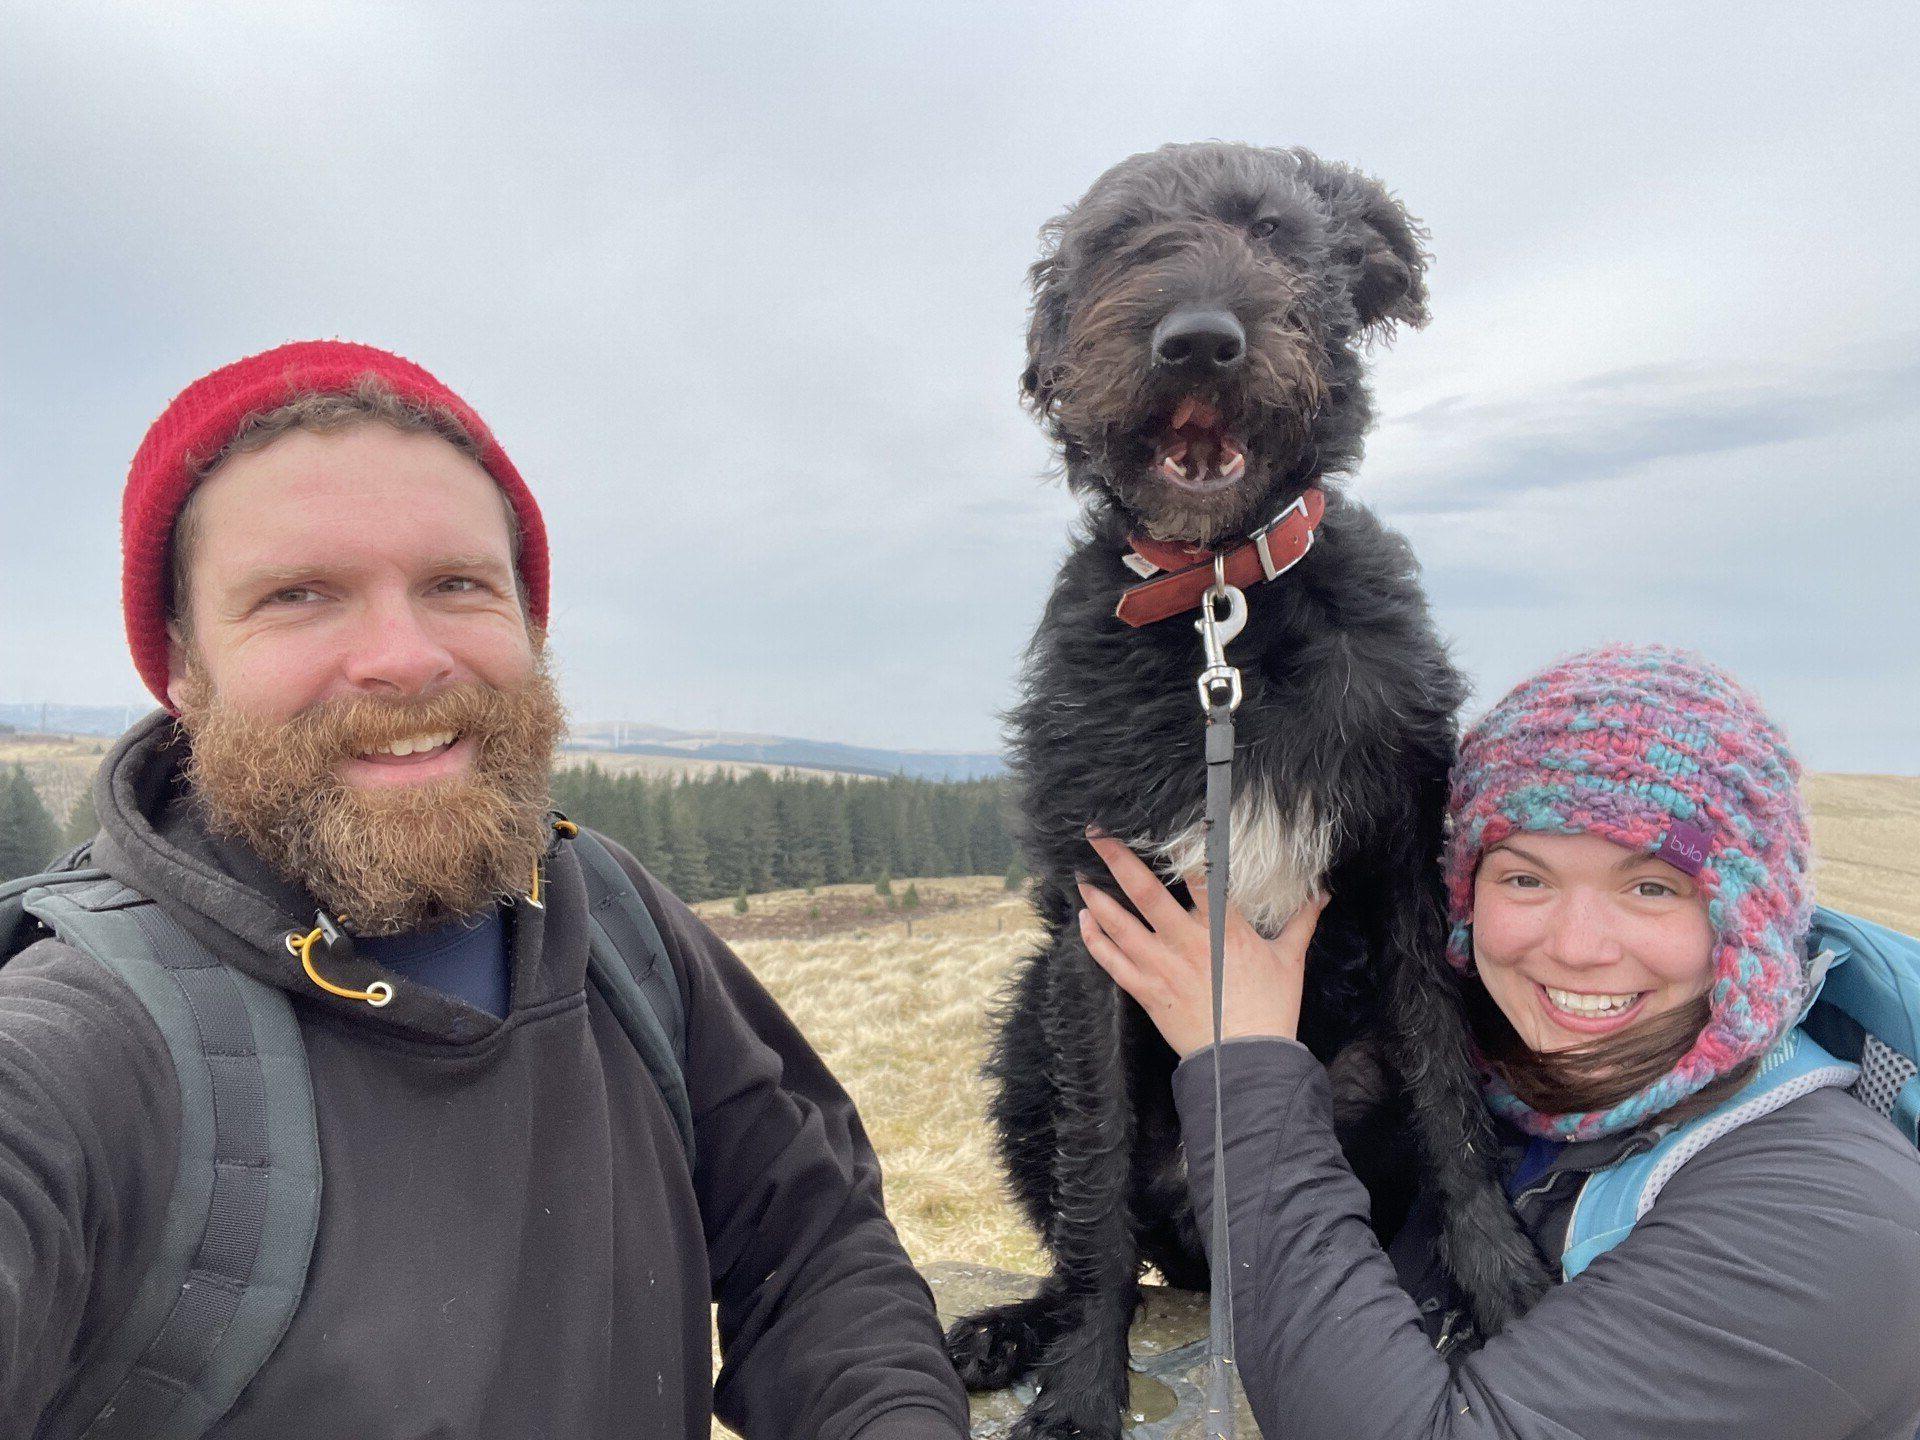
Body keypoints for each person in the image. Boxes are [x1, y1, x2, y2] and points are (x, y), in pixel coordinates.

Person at [0, 341, 967, 1438]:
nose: (405, 657)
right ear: (180, 665)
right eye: (298, 595)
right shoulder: (85, 1041)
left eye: (456, 584)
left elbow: (813, 1244)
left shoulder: (610, 920)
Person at [1078, 644, 1920, 1438]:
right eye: (1525, 877)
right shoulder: (1508, 1094)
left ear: (1750, 915)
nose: (1577, 944)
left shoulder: (1824, 1214)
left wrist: (1244, 1061)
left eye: (1653, 886)